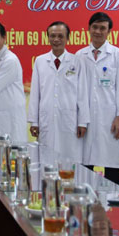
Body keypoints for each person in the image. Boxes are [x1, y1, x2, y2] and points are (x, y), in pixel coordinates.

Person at [75, 12, 119, 186]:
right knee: (85, 163)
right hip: (86, 118)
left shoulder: (118, 55)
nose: (98, 31)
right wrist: (79, 118)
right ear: (88, 29)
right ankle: (85, 204)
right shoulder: (80, 56)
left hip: (110, 117)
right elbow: (76, 90)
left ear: (109, 31)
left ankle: (116, 206)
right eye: (95, 27)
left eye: (102, 28)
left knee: (112, 162)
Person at [27, 21, 89, 163]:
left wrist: (83, 122)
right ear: (47, 37)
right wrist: (34, 121)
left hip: (70, 121)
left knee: (69, 161)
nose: (56, 40)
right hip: (46, 120)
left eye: (60, 36)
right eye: (52, 36)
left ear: (68, 38)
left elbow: (82, 94)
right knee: (46, 160)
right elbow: (35, 93)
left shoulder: (76, 62)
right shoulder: (40, 61)